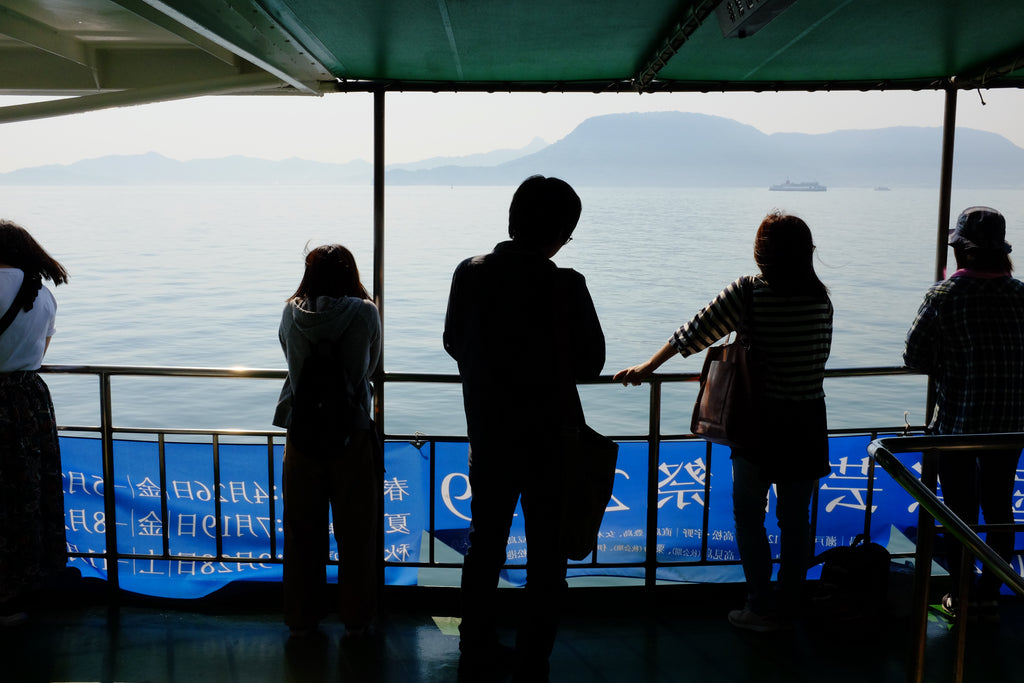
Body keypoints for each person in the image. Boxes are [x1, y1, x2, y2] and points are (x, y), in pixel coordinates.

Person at [614, 211, 833, 632]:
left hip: (758, 426)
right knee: (795, 521)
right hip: (807, 424)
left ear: (760, 253)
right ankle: (790, 605)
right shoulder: (820, 297)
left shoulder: (750, 292)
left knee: (750, 515)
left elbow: (692, 335)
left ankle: (759, 606)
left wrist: (647, 366)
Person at [444, 175, 605, 680]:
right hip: (552, 441)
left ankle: (475, 645)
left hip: (489, 434)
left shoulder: (469, 273)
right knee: (547, 555)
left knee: (485, 543)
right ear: (560, 232)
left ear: (512, 219)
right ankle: (534, 656)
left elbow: (452, 341)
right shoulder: (565, 284)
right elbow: (592, 363)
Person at [904, 206, 1024, 622]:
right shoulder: (1022, 295)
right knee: (999, 509)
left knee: (958, 511)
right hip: (1011, 426)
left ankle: (961, 593)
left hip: (957, 425)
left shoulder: (944, 296)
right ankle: (991, 592)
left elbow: (914, 355)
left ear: (962, 252)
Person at [273, 244, 382, 639]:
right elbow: (370, 367)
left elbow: (288, 355)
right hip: (351, 433)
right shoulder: (366, 313)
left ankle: (302, 615)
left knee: (302, 531)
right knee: (356, 532)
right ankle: (356, 615)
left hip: (301, 433)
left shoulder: (291, 312)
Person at [0, 219, 69, 626]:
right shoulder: (42, 296)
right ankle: (21, 589)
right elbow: (39, 352)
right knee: (24, 495)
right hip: (26, 404)